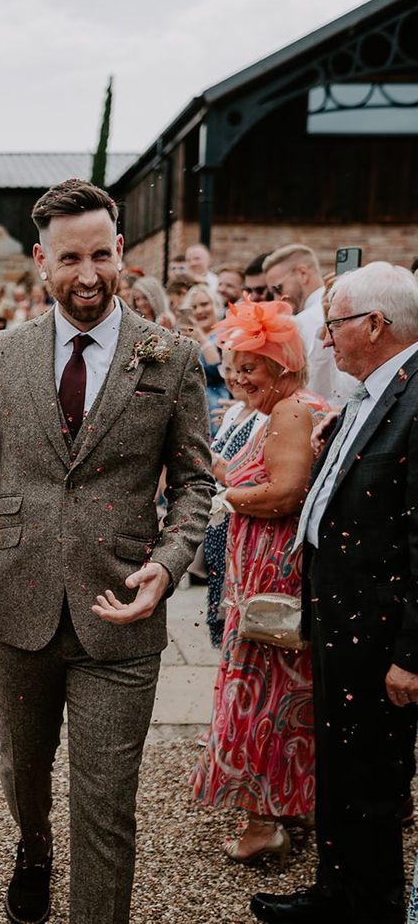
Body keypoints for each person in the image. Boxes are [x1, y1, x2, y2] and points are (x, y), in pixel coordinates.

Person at [0, 179, 214, 924]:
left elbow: (197, 484)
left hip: (122, 611)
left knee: (107, 807)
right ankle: (33, 847)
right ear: (42, 262)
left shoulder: (170, 356)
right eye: (70, 258)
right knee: (22, 772)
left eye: (101, 256)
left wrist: (169, 562)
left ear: (121, 254)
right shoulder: (2, 352)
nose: (87, 276)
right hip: (17, 603)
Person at [251, 263, 418, 924]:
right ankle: (335, 892)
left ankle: (369, 907)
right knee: (340, 768)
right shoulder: (374, 389)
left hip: (380, 636)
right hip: (340, 619)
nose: (324, 341)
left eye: (334, 325)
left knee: (373, 781)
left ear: (375, 325)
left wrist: (411, 652)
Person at [191, 300, 327, 863]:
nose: (236, 375)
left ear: (285, 367)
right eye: (232, 363)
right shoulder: (283, 408)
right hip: (263, 581)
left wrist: (225, 498)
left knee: (264, 702)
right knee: (281, 700)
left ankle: (263, 825)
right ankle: (290, 806)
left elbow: (284, 493)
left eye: (251, 366)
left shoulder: (292, 410)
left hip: (273, 589)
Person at [201, 349, 265, 648]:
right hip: (219, 531)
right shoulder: (233, 412)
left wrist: (204, 456)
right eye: (227, 368)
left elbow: (242, 476)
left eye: (243, 369)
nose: (232, 377)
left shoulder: (264, 417)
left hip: (239, 529)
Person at [264, 244, 355, 406]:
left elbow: (313, 388)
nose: (277, 299)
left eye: (278, 288)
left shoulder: (302, 321)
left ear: (303, 274)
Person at [178, 284, 229, 420]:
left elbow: (217, 369)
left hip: (218, 404)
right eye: (194, 308)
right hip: (193, 408)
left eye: (204, 304)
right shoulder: (188, 338)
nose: (200, 311)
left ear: (215, 304)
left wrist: (202, 338)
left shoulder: (226, 333)